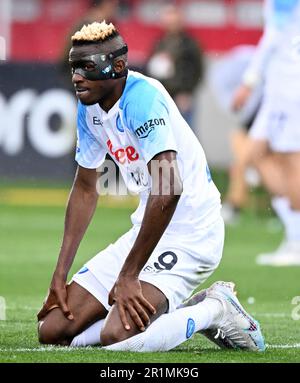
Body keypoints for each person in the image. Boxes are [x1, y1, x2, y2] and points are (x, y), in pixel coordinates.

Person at [36, 21, 265, 352]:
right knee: (53, 328)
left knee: (117, 335)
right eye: (74, 67)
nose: (76, 77)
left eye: (87, 66)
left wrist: (128, 275)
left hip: (191, 233)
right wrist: (60, 273)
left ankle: (215, 309)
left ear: (117, 66)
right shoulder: (89, 106)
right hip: (149, 227)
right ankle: (154, 312)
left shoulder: (143, 99)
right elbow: (86, 189)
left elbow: (169, 187)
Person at [232, 0, 300, 266]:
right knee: (254, 154)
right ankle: (293, 231)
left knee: (293, 160)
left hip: (289, 86)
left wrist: (249, 82)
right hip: (277, 90)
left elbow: (274, 36)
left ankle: (297, 241)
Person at [209, 45, 263, 224]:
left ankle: (252, 169)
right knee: (240, 158)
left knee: (243, 160)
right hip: (254, 125)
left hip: (268, 126)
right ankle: (249, 172)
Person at [146, 4, 204, 129]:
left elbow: (198, 70)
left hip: (182, 96)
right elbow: (149, 66)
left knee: (185, 133)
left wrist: (187, 92)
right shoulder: (160, 43)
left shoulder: (190, 44)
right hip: (162, 94)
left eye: (174, 22)